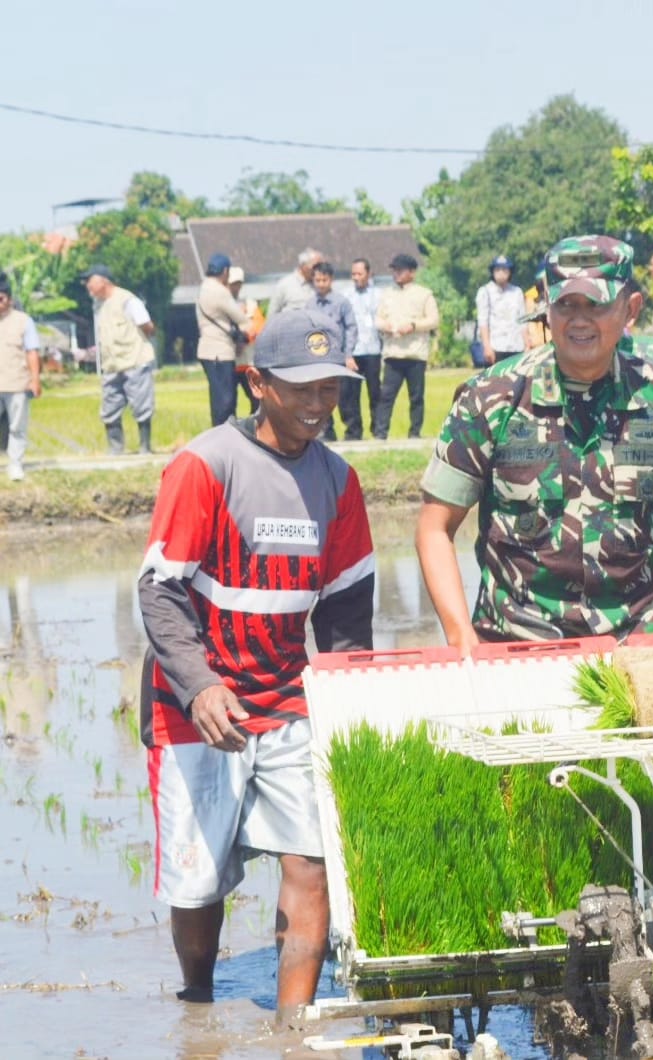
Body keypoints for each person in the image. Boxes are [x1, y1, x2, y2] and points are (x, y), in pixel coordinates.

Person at [138, 307, 374, 1021]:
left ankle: (292, 1026)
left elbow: (346, 620)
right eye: (300, 387)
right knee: (198, 884)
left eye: (330, 388)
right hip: (196, 704)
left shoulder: (339, 482)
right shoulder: (205, 465)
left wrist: (350, 715)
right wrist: (200, 686)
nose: (317, 403)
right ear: (256, 383)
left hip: (287, 697)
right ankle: (198, 1005)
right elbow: (159, 590)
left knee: (312, 860)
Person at [415, 234, 653, 653]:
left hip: (636, 644)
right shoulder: (491, 398)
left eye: (596, 305)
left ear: (630, 309)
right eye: (566, 305)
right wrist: (461, 636)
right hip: (519, 643)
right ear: (547, 308)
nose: (579, 320)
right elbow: (435, 527)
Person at [82, 263, 157, 455]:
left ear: (103, 281)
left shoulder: (127, 300)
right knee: (109, 409)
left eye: (90, 281)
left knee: (141, 406)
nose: (87, 286)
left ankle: (145, 448)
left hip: (135, 361)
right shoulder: (98, 304)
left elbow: (147, 326)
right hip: (112, 365)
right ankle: (115, 450)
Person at [374, 254, 439, 440]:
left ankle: (414, 433)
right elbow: (378, 318)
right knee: (386, 396)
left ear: (412, 272)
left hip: (415, 353)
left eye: (400, 270)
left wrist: (413, 325)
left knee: (416, 397)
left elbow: (434, 320)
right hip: (393, 353)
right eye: (394, 270)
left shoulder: (424, 294)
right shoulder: (387, 294)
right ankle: (380, 433)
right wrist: (384, 325)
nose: (396, 273)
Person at [196, 253, 249, 427]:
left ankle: (220, 431)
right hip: (220, 351)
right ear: (225, 271)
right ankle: (224, 432)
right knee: (226, 400)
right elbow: (240, 318)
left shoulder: (203, 288)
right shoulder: (219, 291)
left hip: (207, 349)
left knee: (218, 396)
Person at [309, 261, 358, 440]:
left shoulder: (341, 302)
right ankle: (327, 431)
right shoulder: (310, 304)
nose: (321, 284)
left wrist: (348, 354)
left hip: (339, 358)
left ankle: (353, 433)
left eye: (324, 280)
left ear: (331, 280)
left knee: (345, 397)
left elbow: (351, 328)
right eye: (317, 280)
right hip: (318, 359)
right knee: (321, 396)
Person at [0, 277, 41, 481]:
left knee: (17, 427)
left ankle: (15, 465)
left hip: (16, 383)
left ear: (9, 299)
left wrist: (35, 380)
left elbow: (32, 352)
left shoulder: (23, 321)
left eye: (1, 299)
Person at [341, 258, 382, 440]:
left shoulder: (379, 295)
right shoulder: (346, 295)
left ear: (369, 274)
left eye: (359, 273)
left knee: (375, 392)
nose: (356, 277)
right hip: (353, 351)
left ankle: (378, 429)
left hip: (373, 349)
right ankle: (354, 431)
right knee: (351, 394)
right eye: (353, 274)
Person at [474, 255, 529, 365]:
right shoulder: (485, 292)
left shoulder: (516, 292)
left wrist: (527, 343)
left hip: (516, 346)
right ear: (493, 272)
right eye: (498, 269)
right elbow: (483, 322)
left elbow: (522, 320)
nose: (501, 273)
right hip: (496, 347)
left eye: (505, 270)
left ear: (510, 272)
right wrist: (487, 346)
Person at [228, 266, 265, 415]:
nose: (235, 287)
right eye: (233, 283)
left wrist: (244, 338)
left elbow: (259, 327)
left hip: (247, 361)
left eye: (238, 283)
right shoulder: (222, 303)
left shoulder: (250, 304)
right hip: (229, 360)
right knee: (228, 401)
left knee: (256, 399)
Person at [269, 248, 323, 316]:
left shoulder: (322, 285)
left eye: (321, 266)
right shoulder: (284, 285)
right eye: (316, 266)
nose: (319, 270)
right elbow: (272, 315)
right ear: (303, 265)